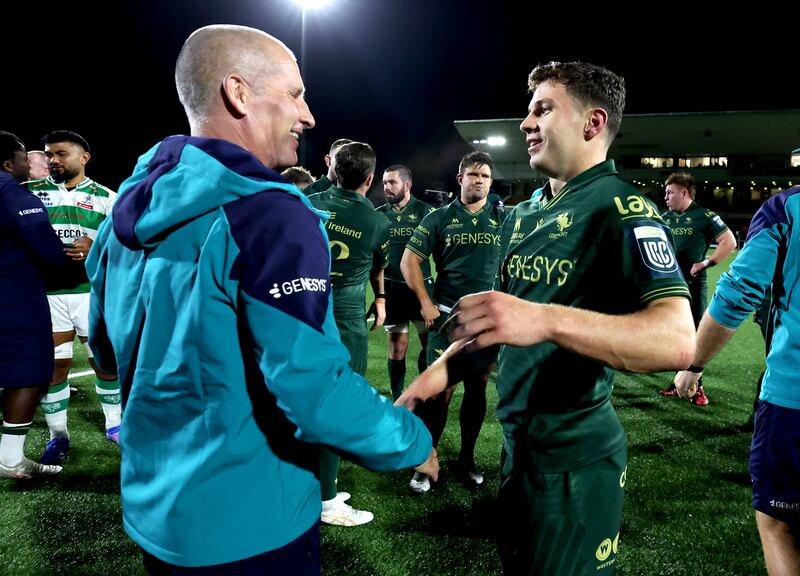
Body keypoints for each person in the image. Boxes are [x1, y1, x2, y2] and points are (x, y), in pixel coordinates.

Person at [86, 24, 436, 573]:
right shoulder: (270, 215)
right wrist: (412, 440)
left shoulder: (126, 209)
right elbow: (314, 391)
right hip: (250, 524)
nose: (309, 115)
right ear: (238, 92)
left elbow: (104, 351)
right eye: (295, 93)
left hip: (157, 515)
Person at [400, 62, 695, 575]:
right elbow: (496, 330)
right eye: (528, 110)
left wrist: (545, 319)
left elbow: (676, 340)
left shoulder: (622, 209)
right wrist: (418, 395)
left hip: (574, 460)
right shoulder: (521, 214)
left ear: (592, 122)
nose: (525, 122)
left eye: (543, 109)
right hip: (518, 449)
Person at [674, 186, 800, 575]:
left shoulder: (787, 207)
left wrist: (693, 363)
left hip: (793, 397)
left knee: (780, 526)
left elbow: (738, 293)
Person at [400, 150, 505, 493]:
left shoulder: (503, 219)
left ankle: (467, 459)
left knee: (477, 388)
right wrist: (427, 304)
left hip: (485, 322)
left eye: (485, 175)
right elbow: (409, 262)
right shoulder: (439, 217)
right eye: (473, 174)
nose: (479, 180)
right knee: (438, 395)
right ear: (460, 179)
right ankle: (424, 460)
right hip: (447, 319)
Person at [307, 141, 391, 526]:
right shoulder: (377, 221)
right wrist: (381, 300)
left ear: (333, 169)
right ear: (371, 179)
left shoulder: (307, 198)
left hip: (302, 309)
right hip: (343, 320)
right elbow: (377, 264)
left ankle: (318, 483)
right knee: (336, 408)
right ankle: (326, 501)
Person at [26, 130, 120, 464]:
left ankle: (115, 425)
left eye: (61, 154)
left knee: (104, 364)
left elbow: (122, 246)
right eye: (49, 154)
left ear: (84, 157)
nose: (53, 160)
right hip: (46, 295)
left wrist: (96, 248)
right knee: (55, 368)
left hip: (90, 295)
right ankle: (58, 437)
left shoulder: (107, 198)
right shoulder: (29, 194)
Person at [0, 132, 80, 479]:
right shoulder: (13, 193)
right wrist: (83, 262)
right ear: (8, 163)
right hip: (13, 297)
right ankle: (10, 457)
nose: (30, 163)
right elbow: (48, 249)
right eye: (22, 158)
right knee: (30, 373)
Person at [659, 171, 736, 404]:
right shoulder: (665, 218)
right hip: (669, 286)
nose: (666, 197)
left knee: (694, 336)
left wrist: (705, 263)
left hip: (692, 286)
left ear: (684, 193)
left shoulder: (705, 215)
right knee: (675, 335)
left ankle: (696, 386)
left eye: (670, 192)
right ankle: (678, 382)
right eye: (665, 192)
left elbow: (729, 242)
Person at [376, 165, 434, 400]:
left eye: (392, 182)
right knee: (397, 347)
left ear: (407, 185)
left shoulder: (426, 212)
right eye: (384, 183)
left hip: (421, 289)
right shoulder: (379, 215)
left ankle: (424, 394)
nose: (387, 187)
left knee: (428, 345)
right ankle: (398, 397)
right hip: (392, 289)